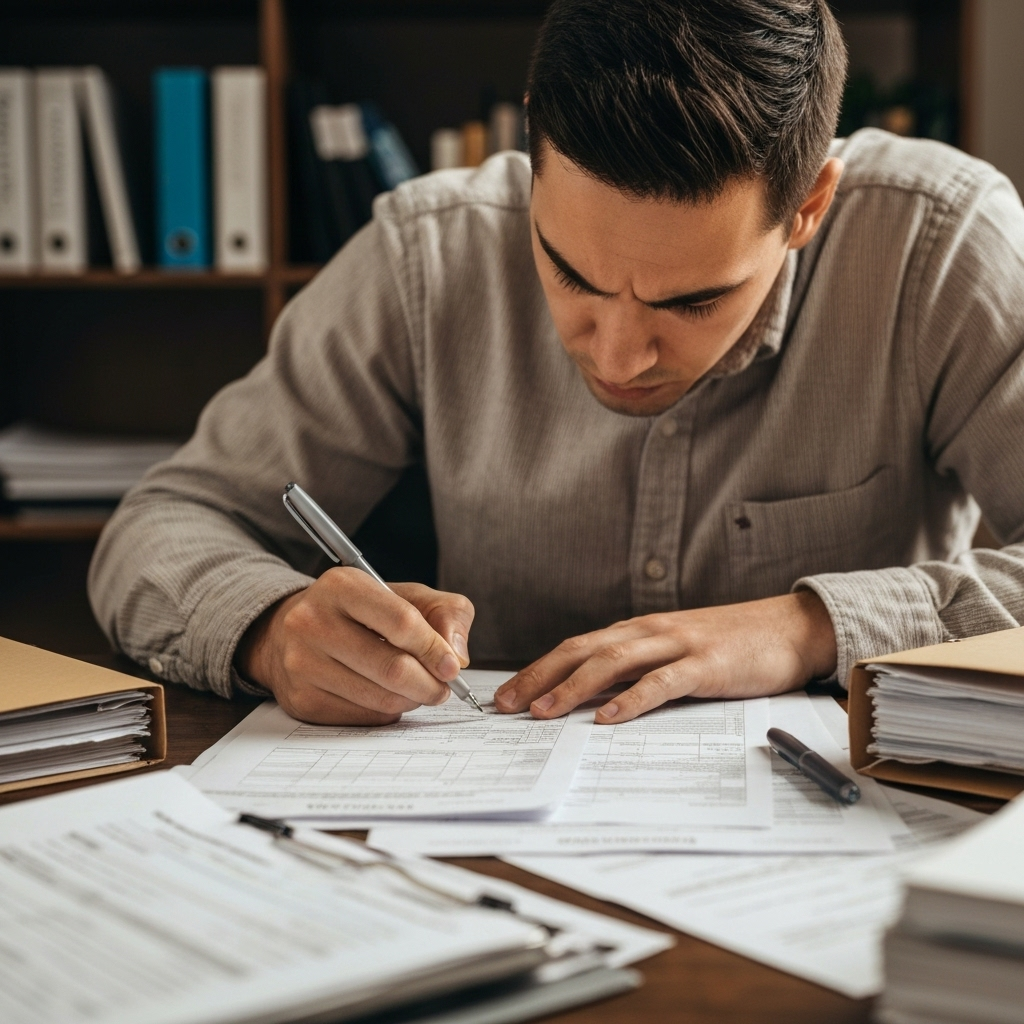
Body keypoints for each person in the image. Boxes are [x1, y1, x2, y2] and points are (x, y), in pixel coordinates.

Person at [89, 0, 1024, 728]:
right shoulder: (429, 252)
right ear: (533, 145)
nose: (619, 356)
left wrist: (804, 628)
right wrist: (269, 628)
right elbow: (166, 524)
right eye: (570, 271)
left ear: (810, 205)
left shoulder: (940, 246)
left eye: (693, 300)